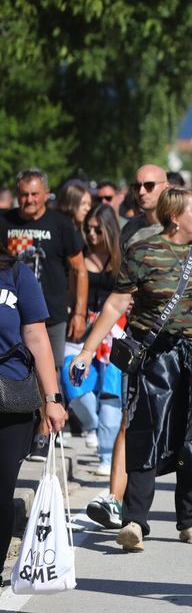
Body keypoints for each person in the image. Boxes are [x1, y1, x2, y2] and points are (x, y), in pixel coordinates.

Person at [69, 188, 192, 552]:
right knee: (145, 433)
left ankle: (191, 521)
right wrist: (86, 350)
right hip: (153, 355)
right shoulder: (142, 252)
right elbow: (116, 303)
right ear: (175, 217)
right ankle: (134, 521)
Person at [0, 169, 87, 462]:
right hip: (13, 312)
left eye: (35, 194)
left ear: (45, 194)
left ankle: (43, 431)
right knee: (19, 373)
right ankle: (23, 430)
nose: (29, 200)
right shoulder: (5, 222)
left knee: (49, 370)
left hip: (51, 312)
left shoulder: (60, 224)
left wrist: (78, 311)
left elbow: (79, 268)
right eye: (24, 194)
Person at [0, 244, 66, 591]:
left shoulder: (16, 274)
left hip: (9, 397)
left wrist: (52, 399)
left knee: (1, 492)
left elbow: (37, 336)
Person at [70, 204, 125, 475]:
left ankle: (106, 454)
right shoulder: (79, 257)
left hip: (116, 331)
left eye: (97, 229)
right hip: (82, 331)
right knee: (75, 387)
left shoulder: (122, 260)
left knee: (111, 395)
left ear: (109, 229)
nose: (91, 234)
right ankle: (91, 426)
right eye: (88, 228)